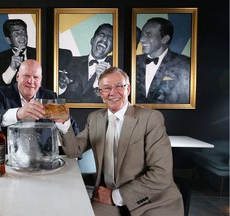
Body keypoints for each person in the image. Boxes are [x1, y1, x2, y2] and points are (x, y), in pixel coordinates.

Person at [55, 67, 184, 216]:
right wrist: (63, 123)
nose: (112, 93)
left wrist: (115, 196)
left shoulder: (150, 118)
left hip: (152, 201)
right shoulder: (95, 118)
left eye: (119, 86)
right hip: (107, 197)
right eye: (106, 88)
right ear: (100, 93)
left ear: (128, 89)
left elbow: (161, 174)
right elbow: (73, 151)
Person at [0, 59, 79, 152]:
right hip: (5, 156)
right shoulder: (2, 93)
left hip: (41, 158)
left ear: (40, 79)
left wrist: (63, 123)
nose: (31, 81)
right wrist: (18, 113)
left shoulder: (50, 96)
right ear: (17, 76)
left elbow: (72, 129)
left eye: (36, 77)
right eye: (26, 76)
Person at [136, 17, 190, 104]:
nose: (142, 39)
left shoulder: (185, 64)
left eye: (149, 35)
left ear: (165, 39)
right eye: (142, 34)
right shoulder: (133, 61)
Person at [59, 23, 113, 103]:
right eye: (101, 35)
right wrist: (61, 86)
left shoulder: (115, 70)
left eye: (110, 39)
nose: (104, 40)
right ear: (92, 40)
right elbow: (59, 98)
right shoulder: (71, 61)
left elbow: (115, 104)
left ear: (112, 48)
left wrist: (102, 81)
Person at [0, 19, 36, 102]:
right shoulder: (0, 59)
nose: (23, 36)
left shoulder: (39, 53)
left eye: (24, 32)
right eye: (17, 33)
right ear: (8, 40)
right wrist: (12, 68)